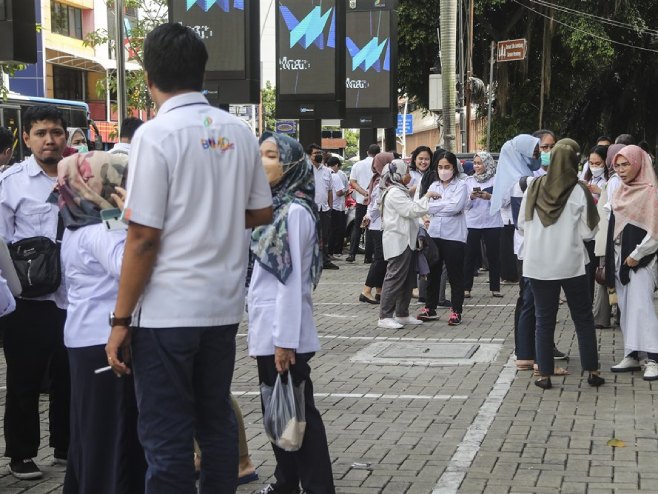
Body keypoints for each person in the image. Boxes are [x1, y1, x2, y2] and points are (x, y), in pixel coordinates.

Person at [105, 23, 273, 494]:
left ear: (149, 75)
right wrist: (210, 215)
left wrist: (120, 320)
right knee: (214, 419)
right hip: (220, 308)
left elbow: (141, 239)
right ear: (202, 70)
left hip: (166, 313)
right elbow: (260, 210)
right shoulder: (239, 132)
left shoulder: (155, 135)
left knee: (166, 435)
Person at [52, 151, 146, 494]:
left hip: (82, 340)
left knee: (90, 432)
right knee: (114, 434)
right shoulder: (102, 230)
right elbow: (131, 266)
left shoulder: (76, 226)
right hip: (107, 343)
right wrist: (137, 223)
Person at [249, 131, 335, 494]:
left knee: (300, 412)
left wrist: (285, 342)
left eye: (270, 155)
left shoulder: (295, 211)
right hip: (267, 327)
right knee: (277, 405)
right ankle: (286, 481)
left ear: (291, 164)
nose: (262, 161)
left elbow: (293, 282)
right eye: (260, 154)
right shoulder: (272, 207)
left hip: (283, 331)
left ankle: (317, 486)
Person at [0, 104, 70, 479]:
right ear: (25, 138)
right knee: (24, 379)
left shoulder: (80, 175)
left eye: (56, 132)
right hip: (27, 301)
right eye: (41, 133)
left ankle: (66, 444)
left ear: (66, 135)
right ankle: (22, 453)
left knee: (69, 375)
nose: (49, 140)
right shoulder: (11, 182)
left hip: (72, 298)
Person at [518, 138, 604, 390]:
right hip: (570, 263)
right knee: (583, 317)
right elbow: (589, 232)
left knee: (544, 319)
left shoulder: (533, 187)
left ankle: (544, 375)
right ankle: (592, 370)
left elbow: (522, 226)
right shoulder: (579, 191)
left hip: (537, 264)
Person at [606, 145, 658, 381]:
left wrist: (637, 254)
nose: (621, 170)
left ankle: (653, 358)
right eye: (617, 165)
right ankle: (632, 354)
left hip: (642, 260)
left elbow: (655, 232)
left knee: (642, 308)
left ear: (637, 163)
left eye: (625, 164)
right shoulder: (621, 190)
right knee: (626, 307)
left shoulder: (650, 191)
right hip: (620, 257)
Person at [378, 159, 438, 329]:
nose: (408, 176)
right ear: (397, 174)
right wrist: (426, 196)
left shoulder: (399, 190)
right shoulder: (395, 192)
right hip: (399, 240)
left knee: (407, 279)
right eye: (405, 173)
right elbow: (410, 210)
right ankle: (385, 315)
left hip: (406, 240)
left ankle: (402, 313)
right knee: (395, 278)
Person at [417, 152, 468, 325]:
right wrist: (439, 206)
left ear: (454, 168)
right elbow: (425, 207)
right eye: (440, 167)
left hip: (454, 235)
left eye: (447, 167)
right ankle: (430, 308)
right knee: (433, 273)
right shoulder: (433, 185)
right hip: (435, 234)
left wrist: (435, 206)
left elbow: (456, 207)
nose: (443, 170)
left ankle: (456, 310)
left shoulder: (461, 185)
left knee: (455, 274)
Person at [490, 134, 542, 286]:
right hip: (524, 232)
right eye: (533, 151)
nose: (536, 154)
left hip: (527, 234)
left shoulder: (524, 174)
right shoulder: (518, 179)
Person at [463, 151, 503, 298]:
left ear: (488, 164)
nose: (477, 166)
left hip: (492, 222)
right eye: (475, 163)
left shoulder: (497, 180)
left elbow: (503, 201)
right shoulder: (468, 181)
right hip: (472, 222)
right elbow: (464, 205)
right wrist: (471, 197)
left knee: (493, 255)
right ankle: (466, 288)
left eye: (480, 163)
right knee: (469, 255)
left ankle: (495, 287)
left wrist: (489, 196)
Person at [359, 152, 393, 304]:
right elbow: (376, 203)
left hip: (378, 224)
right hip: (378, 224)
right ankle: (366, 290)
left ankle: (379, 290)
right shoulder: (381, 180)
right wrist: (369, 216)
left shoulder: (379, 178)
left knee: (383, 258)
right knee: (380, 259)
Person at [307, 143, 338, 270]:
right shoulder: (305, 169)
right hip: (309, 209)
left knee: (324, 236)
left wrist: (330, 207)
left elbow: (330, 190)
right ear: (309, 156)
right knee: (310, 236)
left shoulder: (327, 171)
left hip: (324, 209)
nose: (318, 155)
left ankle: (325, 261)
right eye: (315, 153)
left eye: (320, 153)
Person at [347, 144, 379, 262]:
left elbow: (353, 182)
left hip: (361, 201)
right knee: (371, 227)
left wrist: (364, 193)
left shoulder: (357, 165)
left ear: (367, 152)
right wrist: (370, 194)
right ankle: (368, 257)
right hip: (375, 202)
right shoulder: (379, 165)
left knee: (357, 227)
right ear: (378, 153)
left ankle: (352, 254)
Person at [328, 157, 348, 256]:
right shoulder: (335, 176)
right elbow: (339, 192)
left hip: (326, 206)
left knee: (328, 230)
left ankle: (327, 252)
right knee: (335, 230)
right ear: (336, 165)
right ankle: (332, 252)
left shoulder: (324, 173)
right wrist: (345, 191)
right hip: (336, 206)